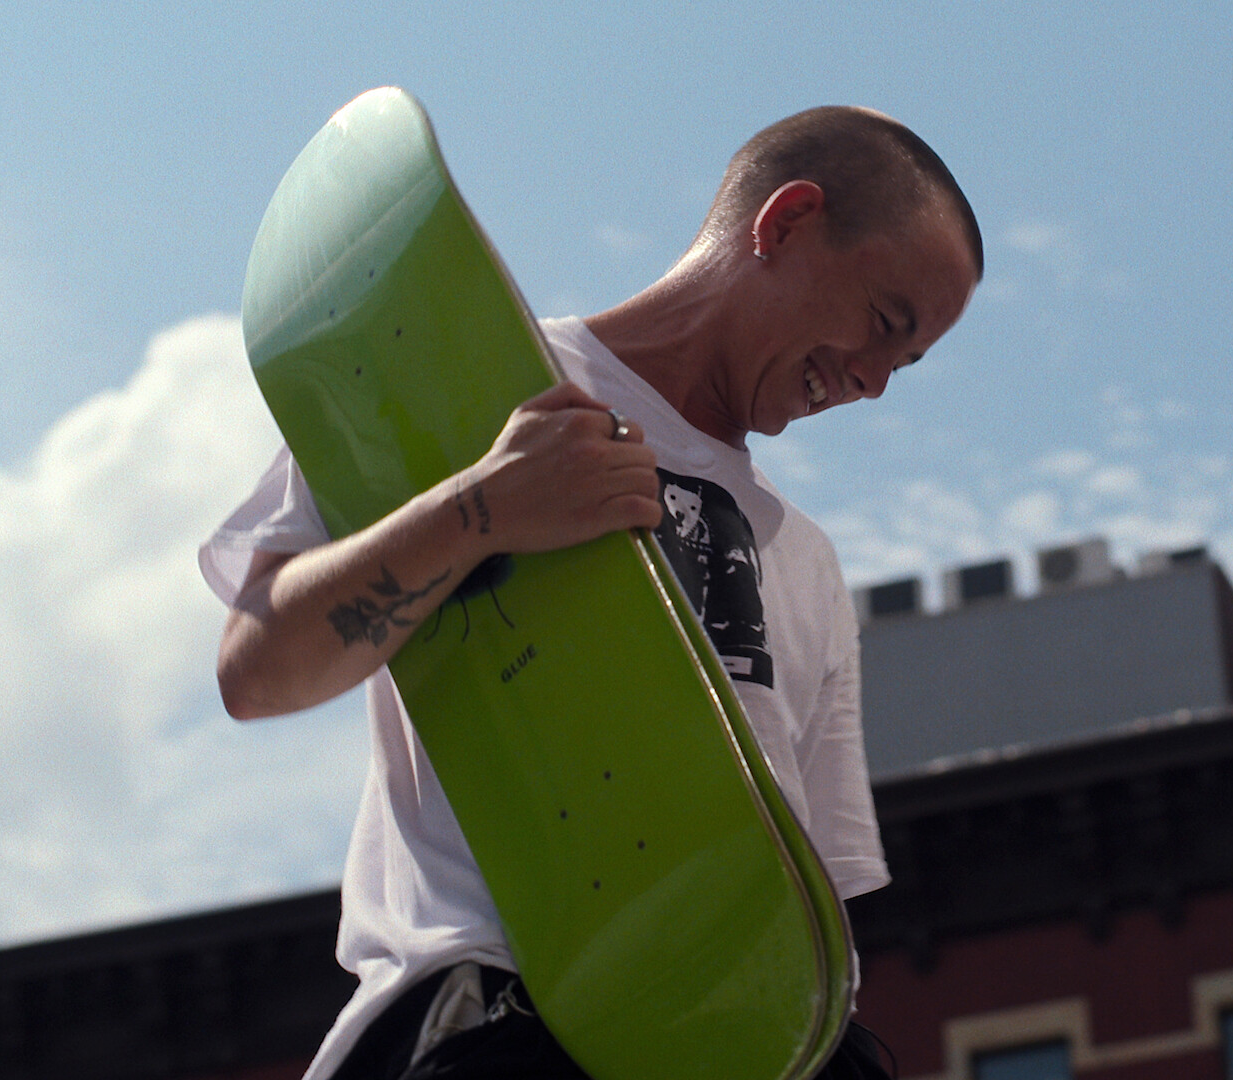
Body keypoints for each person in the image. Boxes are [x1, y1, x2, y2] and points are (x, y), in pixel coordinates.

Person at [201, 105, 983, 1080]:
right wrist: (477, 510)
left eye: (901, 365)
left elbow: (802, 919)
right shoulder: (465, 377)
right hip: (485, 1021)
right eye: (882, 325)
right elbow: (255, 670)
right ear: (784, 222)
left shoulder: (804, 562)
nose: (870, 382)